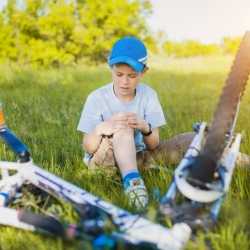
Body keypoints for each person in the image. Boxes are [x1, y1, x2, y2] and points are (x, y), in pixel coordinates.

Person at [77, 36, 167, 210]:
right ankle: (134, 184)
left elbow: (154, 144)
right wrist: (101, 128)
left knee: (188, 141)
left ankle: (223, 154)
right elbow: (88, 146)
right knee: (123, 128)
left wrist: (144, 127)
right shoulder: (96, 98)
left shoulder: (149, 95)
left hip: (137, 155)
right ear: (111, 69)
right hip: (104, 159)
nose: (124, 82)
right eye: (119, 75)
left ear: (143, 72)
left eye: (132, 76)